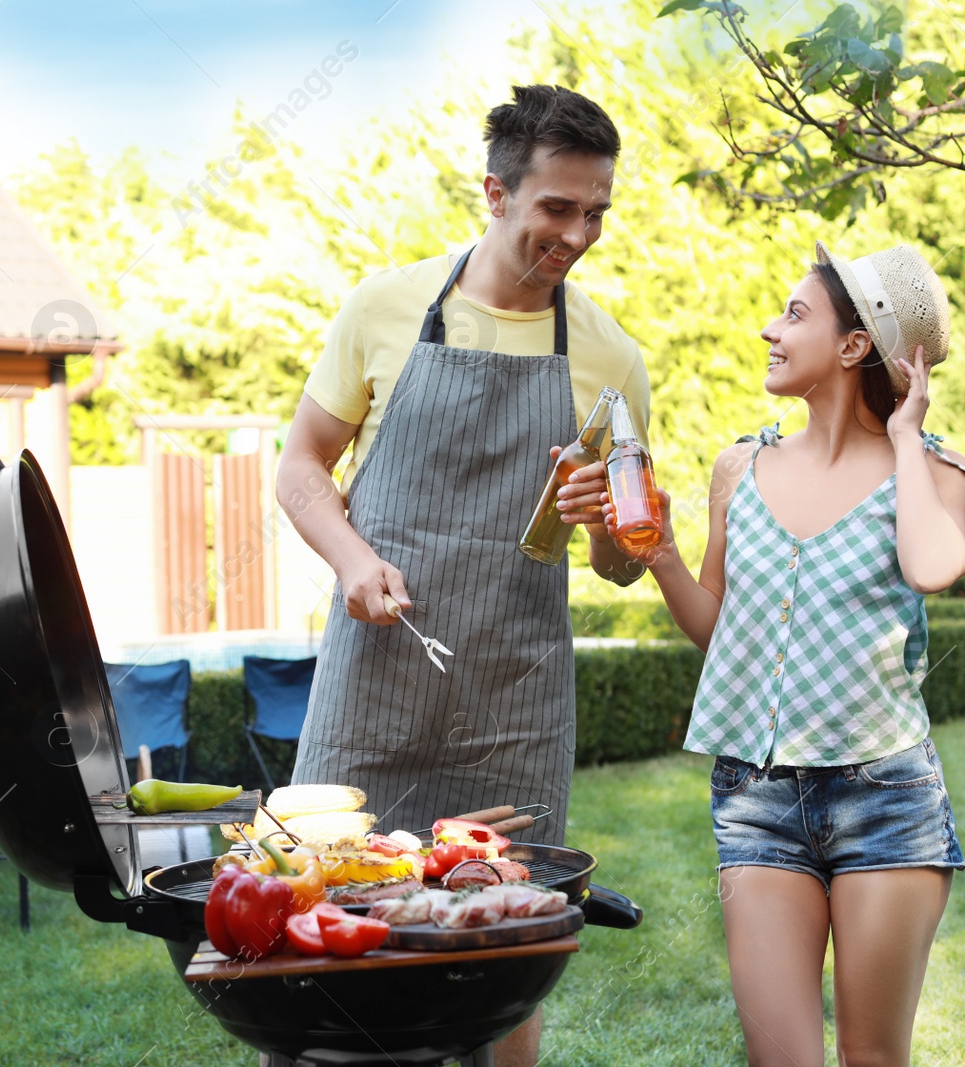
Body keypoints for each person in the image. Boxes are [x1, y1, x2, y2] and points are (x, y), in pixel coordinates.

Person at [275, 84, 649, 1065]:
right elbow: (301, 466)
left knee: (505, 942)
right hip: (372, 686)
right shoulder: (385, 306)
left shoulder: (608, 354)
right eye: (557, 208)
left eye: (598, 210)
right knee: (330, 919)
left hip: (512, 704)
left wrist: (609, 526)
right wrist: (352, 558)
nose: (579, 233)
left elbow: (623, 561)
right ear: (495, 190)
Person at [612, 242, 965, 1066]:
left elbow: (933, 566)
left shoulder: (937, 471)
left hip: (887, 798)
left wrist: (908, 437)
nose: (770, 329)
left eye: (796, 314)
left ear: (854, 346)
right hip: (757, 798)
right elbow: (721, 633)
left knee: (873, 1056)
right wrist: (663, 553)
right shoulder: (739, 465)